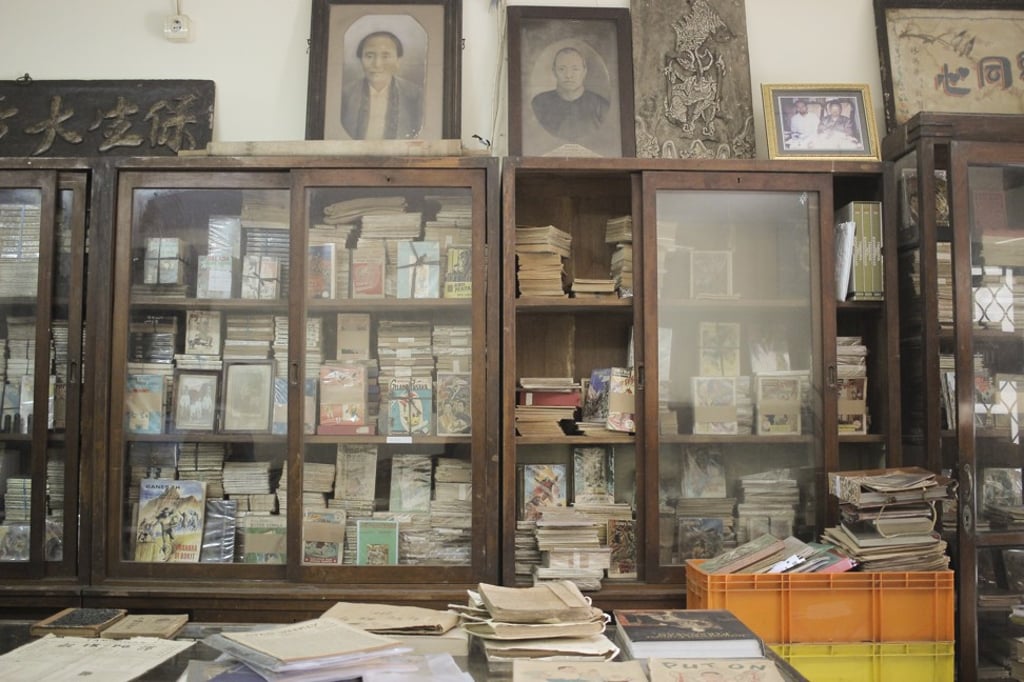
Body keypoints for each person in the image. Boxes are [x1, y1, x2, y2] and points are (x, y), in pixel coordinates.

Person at [340, 30, 423, 140]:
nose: (377, 64)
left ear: (398, 61)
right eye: (369, 56)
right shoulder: (345, 95)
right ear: (360, 60)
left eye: (385, 56)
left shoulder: (415, 95)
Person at [531, 46, 610, 145]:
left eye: (575, 69)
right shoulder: (539, 104)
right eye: (562, 69)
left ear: (584, 71)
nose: (568, 75)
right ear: (554, 71)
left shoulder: (601, 106)